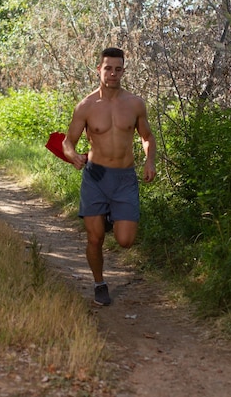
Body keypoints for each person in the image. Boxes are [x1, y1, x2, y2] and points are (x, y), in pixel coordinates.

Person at [62, 47, 157, 306]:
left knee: (125, 241)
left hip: (125, 177)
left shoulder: (135, 104)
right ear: (98, 70)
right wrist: (73, 156)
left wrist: (150, 161)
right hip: (96, 176)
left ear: (123, 71)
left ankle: (110, 216)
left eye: (118, 69)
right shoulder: (86, 106)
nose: (112, 73)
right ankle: (99, 283)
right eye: (108, 68)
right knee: (95, 238)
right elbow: (67, 141)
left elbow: (147, 136)